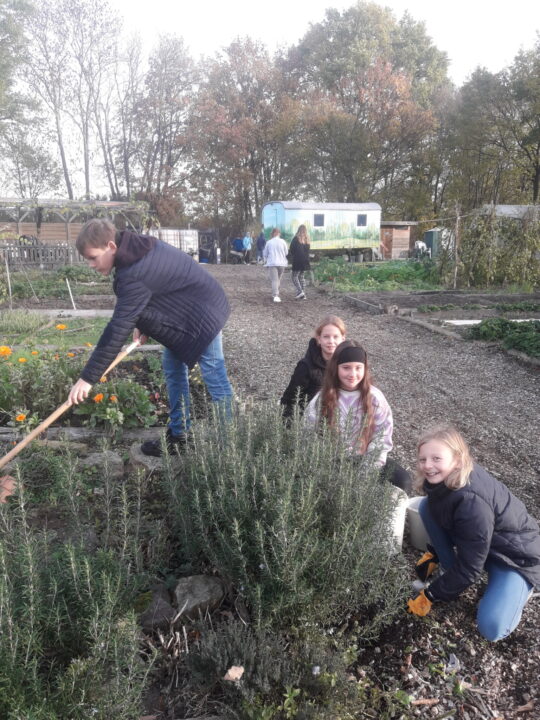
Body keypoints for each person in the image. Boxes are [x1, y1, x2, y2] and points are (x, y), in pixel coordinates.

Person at [67, 219, 234, 457]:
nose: (91, 265)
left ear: (111, 246)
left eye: (93, 257)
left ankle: (231, 448)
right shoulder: (136, 250)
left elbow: (116, 329)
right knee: (173, 371)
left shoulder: (134, 271)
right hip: (185, 315)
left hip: (202, 316)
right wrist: (143, 322)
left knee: (215, 377)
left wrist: (87, 378)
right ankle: (180, 436)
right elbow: (163, 287)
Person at [408, 425, 539, 641]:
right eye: (423, 459)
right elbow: (451, 521)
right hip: (483, 544)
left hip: (515, 557)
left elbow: (470, 569)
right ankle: (448, 569)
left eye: (436, 459)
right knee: (426, 506)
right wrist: (438, 553)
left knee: (492, 627)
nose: (428, 466)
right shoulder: (446, 480)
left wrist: (431, 594)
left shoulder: (471, 502)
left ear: (457, 459)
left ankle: (523, 590)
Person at [305, 340, 411, 492]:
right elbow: (308, 432)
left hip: (367, 459)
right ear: (336, 368)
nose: (352, 374)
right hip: (332, 460)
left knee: (403, 481)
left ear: (365, 369)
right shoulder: (323, 397)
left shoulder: (375, 398)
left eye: (358, 368)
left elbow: (382, 437)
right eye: (346, 368)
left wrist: (367, 471)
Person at [280, 315, 346, 418]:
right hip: (309, 422)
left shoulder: (347, 365)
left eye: (335, 336)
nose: (331, 341)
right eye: (326, 336)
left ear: (343, 339)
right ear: (319, 339)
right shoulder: (306, 366)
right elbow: (289, 400)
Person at [263, 228, 288, 303]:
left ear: (272, 234)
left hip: (272, 263)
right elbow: (286, 253)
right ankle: (276, 292)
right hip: (282, 263)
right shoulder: (283, 242)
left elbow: (265, 254)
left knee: (274, 280)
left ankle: (275, 295)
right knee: (278, 279)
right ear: (279, 234)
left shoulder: (269, 242)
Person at [288, 224, 310, 300]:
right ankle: (303, 295)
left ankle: (300, 292)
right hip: (305, 260)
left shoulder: (295, 239)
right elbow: (308, 251)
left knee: (294, 276)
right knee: (301, 277)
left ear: (298, 230)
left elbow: (291, 249)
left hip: (297, 260)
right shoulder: (307, 239)